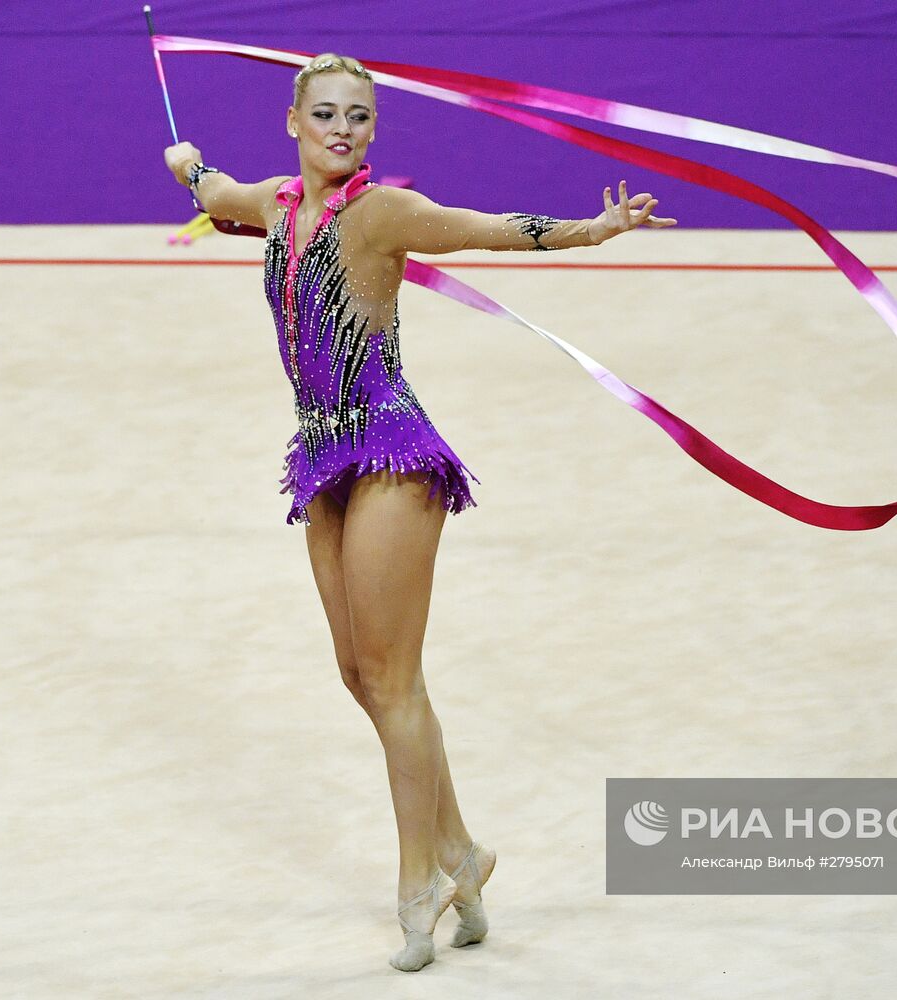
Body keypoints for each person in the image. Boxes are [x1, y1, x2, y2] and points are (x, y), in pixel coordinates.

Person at [162, 53, 677, 973]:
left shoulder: (382, 213)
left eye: (359, 117)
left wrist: (591, 230)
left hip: (391, 449)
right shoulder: (277, 203)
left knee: (394, 679)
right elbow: (222, 190)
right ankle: (464, 855)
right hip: (322, 455)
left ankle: (417, 887)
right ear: (293, 121)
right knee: (361, 674)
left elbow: (486, 228)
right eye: (325, 114)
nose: (342, 131)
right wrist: (189, 169)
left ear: (373, 131)